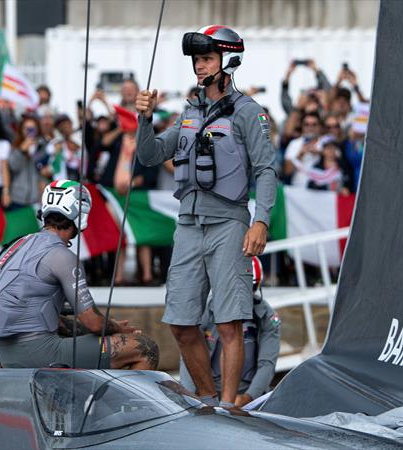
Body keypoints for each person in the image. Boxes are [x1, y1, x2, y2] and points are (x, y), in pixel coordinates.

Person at [135, 25, 277, 409]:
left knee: (230, 324)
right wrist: (143, 119)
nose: (199, 67)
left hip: (229, 223)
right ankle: (207, 399)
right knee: (181, 323)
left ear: (228, 61)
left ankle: (229, 407)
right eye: (197, 60)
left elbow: (265, 170)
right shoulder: (188, 111)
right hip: (187, 225)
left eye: (207, 59)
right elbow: (148, 156)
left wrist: (260, 220)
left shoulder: (250, 113)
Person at [0, 180, 159, 370]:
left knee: (78, 332)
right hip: (40, 352)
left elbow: (56, 321)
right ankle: (118, 401)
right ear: (81, 215)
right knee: (144, 348)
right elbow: (93, 323)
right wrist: (116, 328)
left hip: (7, 351)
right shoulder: (63, 256)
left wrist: (105, 328)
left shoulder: (19, 244)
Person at [179, 256, 281, 407]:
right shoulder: (206, 310)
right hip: (208, 391)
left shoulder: (267, 316)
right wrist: (189, 396)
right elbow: (189, 351)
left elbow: (267, 363)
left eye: (248, 289)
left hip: (245, 395)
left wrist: (247, 397)